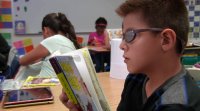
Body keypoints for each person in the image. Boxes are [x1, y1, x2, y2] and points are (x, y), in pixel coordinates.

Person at [60, 0, 200, 111]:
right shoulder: (136, 78)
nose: (121, 45)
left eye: (130, 35)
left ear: (166, 40)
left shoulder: (179, 104)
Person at [19, 13, 80, 77]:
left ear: (45, 30)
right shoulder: (69, 42)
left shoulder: (53, 40)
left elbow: (22, 61)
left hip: (47, 85)